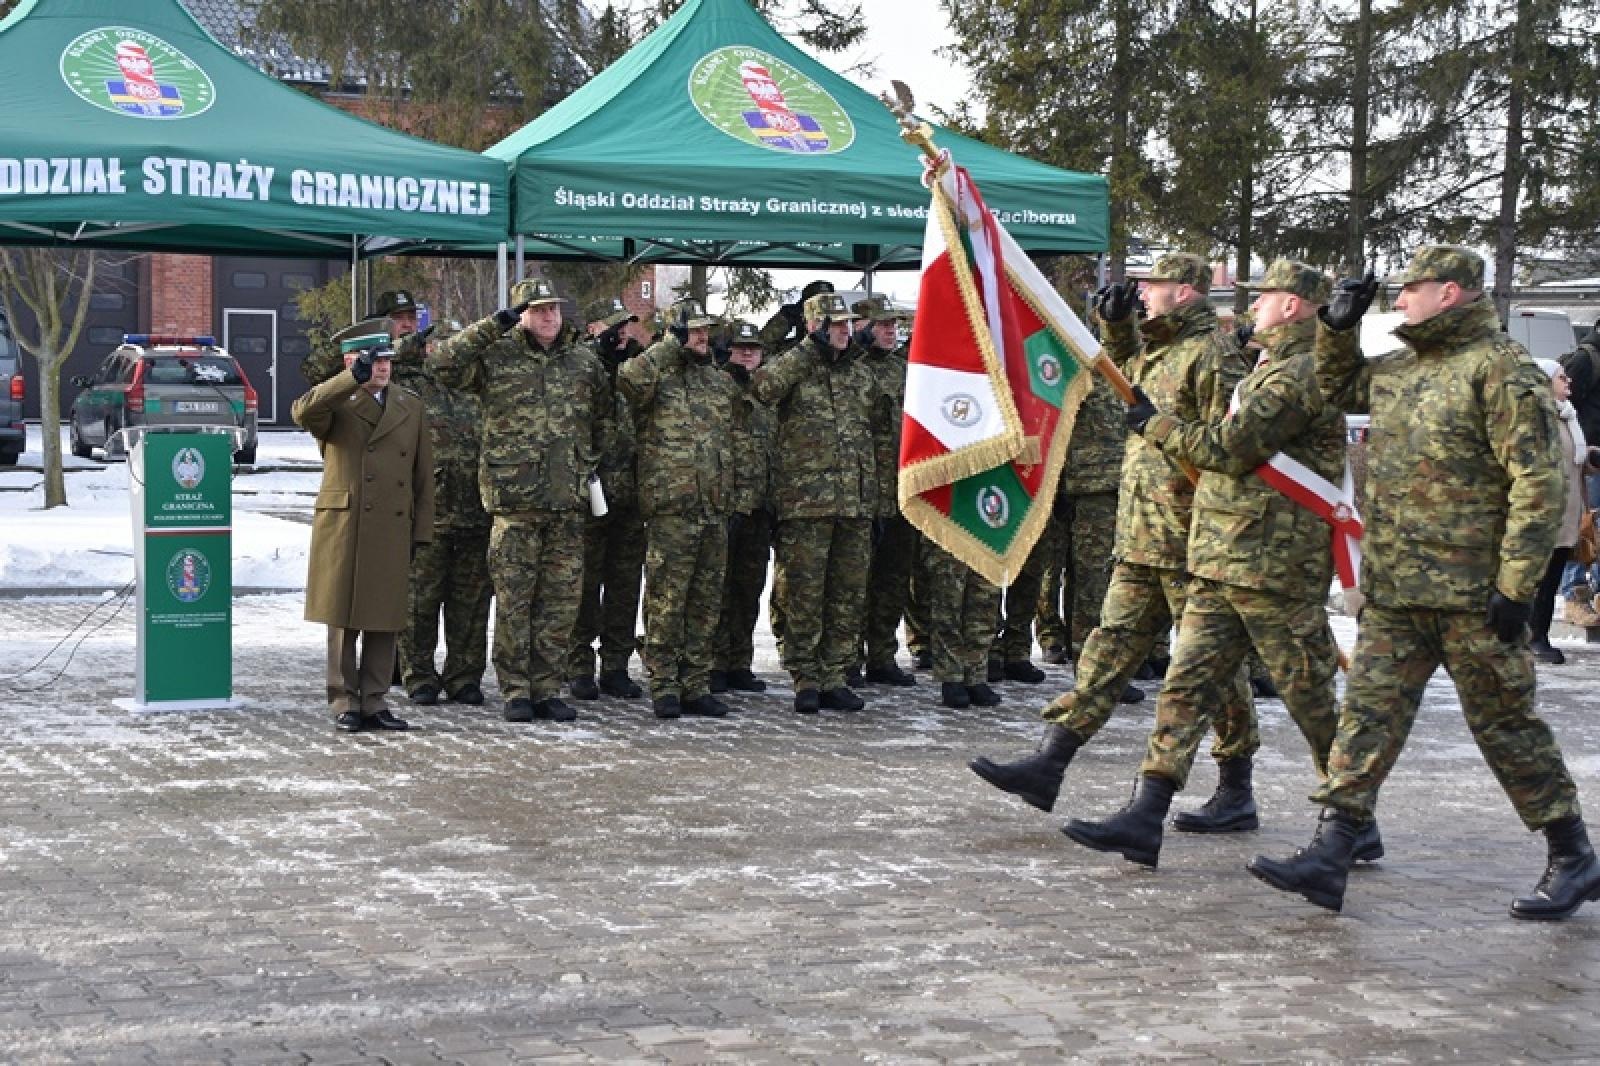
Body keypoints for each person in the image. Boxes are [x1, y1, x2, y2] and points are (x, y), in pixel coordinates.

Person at [1250, 245, 1600, 920]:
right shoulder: (1403, 366)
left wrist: (1517, 586)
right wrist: (1337, 328)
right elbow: (1338, 387)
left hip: (1474, 594)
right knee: (1367, 717)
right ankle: (1332, 850)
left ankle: (1572, 852)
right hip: (1399, 589)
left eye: (1411, 288)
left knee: (1505, 726)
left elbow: (1538, 482)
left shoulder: (1500, 370)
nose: (1400, 298)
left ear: (1450, 292)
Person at [1059, 260, 1378, 865]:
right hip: (1224, 555)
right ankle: (1146, 814)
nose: (1253, 305)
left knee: (1310, 698)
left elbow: (1231, 449)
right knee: (1185, 685)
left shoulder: (1300, 373)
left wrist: (1158, 427)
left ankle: (1354, 819)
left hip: (1275, 566)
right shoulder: (1270, 365)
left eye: (1266, 298)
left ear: (1294, 307)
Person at [968, 253, 1258, 814]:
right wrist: (1118, 328)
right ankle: (1049, 763)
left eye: (1156, 284)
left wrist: (1163, 430)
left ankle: (1236, 785)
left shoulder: (1216, 356)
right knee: (1107, 649)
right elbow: (1134, 384)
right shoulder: (1162, 347)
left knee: (1215, 671)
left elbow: (1229, 445)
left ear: (1188, 291)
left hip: (1190, 539)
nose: (1146, 291)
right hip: (1141, 535)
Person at [429, 277, 612, 725]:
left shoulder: (582, 361)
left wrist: (584, 461)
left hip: (566, 505)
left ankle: (548, 688)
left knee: (559, 605)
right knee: (514, 603)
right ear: (521, 315)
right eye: (538, 309)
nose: (549, 316)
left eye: (554, 308)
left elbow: (605, 417)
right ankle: (515, 690)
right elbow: (444, 365)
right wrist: (493, 326)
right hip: (515, 506)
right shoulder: (496, 356)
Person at [293, 319, 434, 733]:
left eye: (387, 359)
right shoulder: (335, 403)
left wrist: (422, 529)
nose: (383, 367)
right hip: (347, 521)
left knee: (384, 615)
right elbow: (302, 411)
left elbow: (423, 473)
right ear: (351, 362)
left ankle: (375, 700)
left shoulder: (410, 405)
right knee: (342, 615)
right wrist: (346, 382)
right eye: (373, 360)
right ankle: (343, 700)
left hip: (392, 521)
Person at [754, 291, 879, 714]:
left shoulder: (860, 374)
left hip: (855, 503)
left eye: (847, 324)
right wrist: (808, 350)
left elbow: (877, 433)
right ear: (815, 327)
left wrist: (874, 498)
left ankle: (836, 674)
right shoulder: (796, 366)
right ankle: (805, 675)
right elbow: (763, 388)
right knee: (805, 593)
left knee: (847, 594)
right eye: (837, 325)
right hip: (806, 504)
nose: (846, 331)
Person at [618, 298, 738, 719]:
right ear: (677, 334)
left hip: (713, 508)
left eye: (707, 331)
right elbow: (628, 383)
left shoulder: (719, 383)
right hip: (672, 509)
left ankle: (696, 683)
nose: (704, 338)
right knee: (668, 600)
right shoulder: (657, 376)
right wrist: (670, 346)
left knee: (705, 602)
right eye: (695, 331)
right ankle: (665, 683)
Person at [392, 317, 492, 707]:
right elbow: (392, 365)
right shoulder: (413, 385)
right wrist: (413, 341)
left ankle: (465, 677)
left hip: (476, 513)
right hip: (427, 515)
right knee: (420, 601)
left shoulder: (480, 388)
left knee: (471, 604)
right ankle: (418, 675)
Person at [568, 298, 648, 701]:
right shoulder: (579, 366)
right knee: (584, 584)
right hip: (590, 491)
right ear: (594, 327)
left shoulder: (635, 367)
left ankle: (616, 664)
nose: (622, 335)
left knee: (624, 584)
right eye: (614, 327)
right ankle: (579, 664)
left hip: (631, 494)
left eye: (627, 327)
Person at [853, 295, 918, 688]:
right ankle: (846, 658)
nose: (891, 331)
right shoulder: (853, 371)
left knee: (894, 579)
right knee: (855, 582)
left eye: (894, 325)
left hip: (901, 492)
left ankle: (881, 654)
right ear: (862, 328)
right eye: (882, 325)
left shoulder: (905, 371)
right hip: (861, 491)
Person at [713, 319, 778, 694]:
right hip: (727, 505)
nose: (749, 354)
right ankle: (716, 662)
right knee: (718, 590)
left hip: (761, 506)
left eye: (754, 349)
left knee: (748, 589)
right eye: (740, 348)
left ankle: (740, 660)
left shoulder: (769, 392)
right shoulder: (719, 387)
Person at [1530, 359, 1600, 663]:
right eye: (1562, 378)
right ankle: (1532, 638)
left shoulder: (1566, 416)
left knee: (1552, 574)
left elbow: (1573, 457)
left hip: (1568, 512)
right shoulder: (1536, 419)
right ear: (1545, 382)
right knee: (1539, 579)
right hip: (1543, 513)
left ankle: (1539, 634)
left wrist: (1591, 460)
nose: (1568, 383)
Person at [1557, 323, 1600, 624]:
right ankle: (1574, 593)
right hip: (1589, 458)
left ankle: (1595, 592)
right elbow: (1563, 403)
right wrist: (1581, 447)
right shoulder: (1587, 359)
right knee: (1583, 525)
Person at [303, 289, 424, 387]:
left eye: (412, 317)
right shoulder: (361, 353)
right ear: (382, 322)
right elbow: (312, 368)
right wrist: (365, 343)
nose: (407, 324)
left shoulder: (422, 354)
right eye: (398, 318)